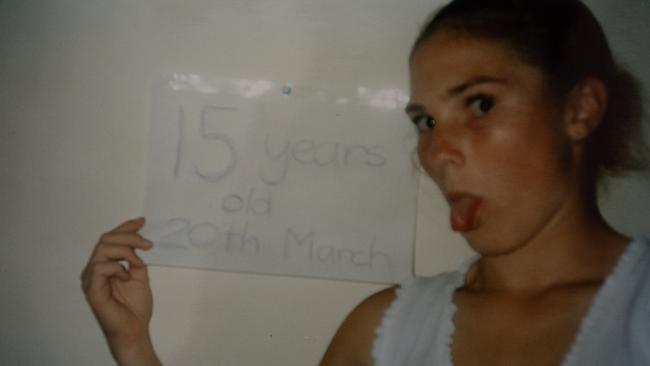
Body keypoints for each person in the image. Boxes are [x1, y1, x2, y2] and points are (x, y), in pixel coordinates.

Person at [81, 0, 649, 365]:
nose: (437, 152)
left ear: (580, 108)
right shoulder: (385, 328)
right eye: (425, 121)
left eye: (480, 103)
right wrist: (132, 343)